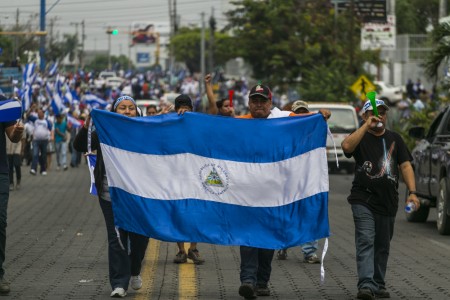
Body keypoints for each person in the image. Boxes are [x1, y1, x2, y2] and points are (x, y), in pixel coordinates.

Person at [341, 99, 420, 300]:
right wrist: (365, 126)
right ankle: (366, 284)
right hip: (363, 198)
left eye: (383, 113)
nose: (379, 116)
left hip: (388, 202)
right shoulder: (360, 138)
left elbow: (405, 166)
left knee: (382, 245)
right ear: (364, 116)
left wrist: (412, 192)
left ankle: (378, 283)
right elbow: (347, 147)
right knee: (366, 239)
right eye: (374, 113)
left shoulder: (395, 138)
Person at [74, 95, 149, 298]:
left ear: (137, 111)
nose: (126, 111)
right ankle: (119, 284)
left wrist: (178, 118)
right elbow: (80, 145)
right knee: (117, 238)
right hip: (110, 194)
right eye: (122, 108)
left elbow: (170, 140)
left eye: (130, 108)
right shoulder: (104, 133)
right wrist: (88, 124)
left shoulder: (146, 132)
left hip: (140, 196)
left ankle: (134, 269)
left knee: (140, 238)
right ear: (114, 112)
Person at [171, 94, 206, 265]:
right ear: (175, 108)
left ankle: (193, 248)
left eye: (186, 107)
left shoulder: (199, 125)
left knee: (195, 214)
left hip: (195, 177)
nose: (183, 109)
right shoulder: (168, 124)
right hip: (176, 177)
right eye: (180, 106)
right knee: (178, 213)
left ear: (192, 109)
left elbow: (213, 115)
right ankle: (181, 250)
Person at [0, 95, 25, 295]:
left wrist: (17, 133)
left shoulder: (2, 102)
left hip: (0, 172)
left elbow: (12, 136)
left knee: (0, 222)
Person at [29, 109, 52, 176]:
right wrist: (30, 108)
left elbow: (51, 129)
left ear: (43, 113)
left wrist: (51, 137)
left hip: (44, 141)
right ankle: (33, 169)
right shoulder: (35, 120)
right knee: (35, 154)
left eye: (40, 113)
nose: (38, 114)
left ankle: (43, 169)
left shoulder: (46, 121)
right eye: (38, 113)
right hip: (36, 140)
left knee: (43, 155)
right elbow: (27, 116)